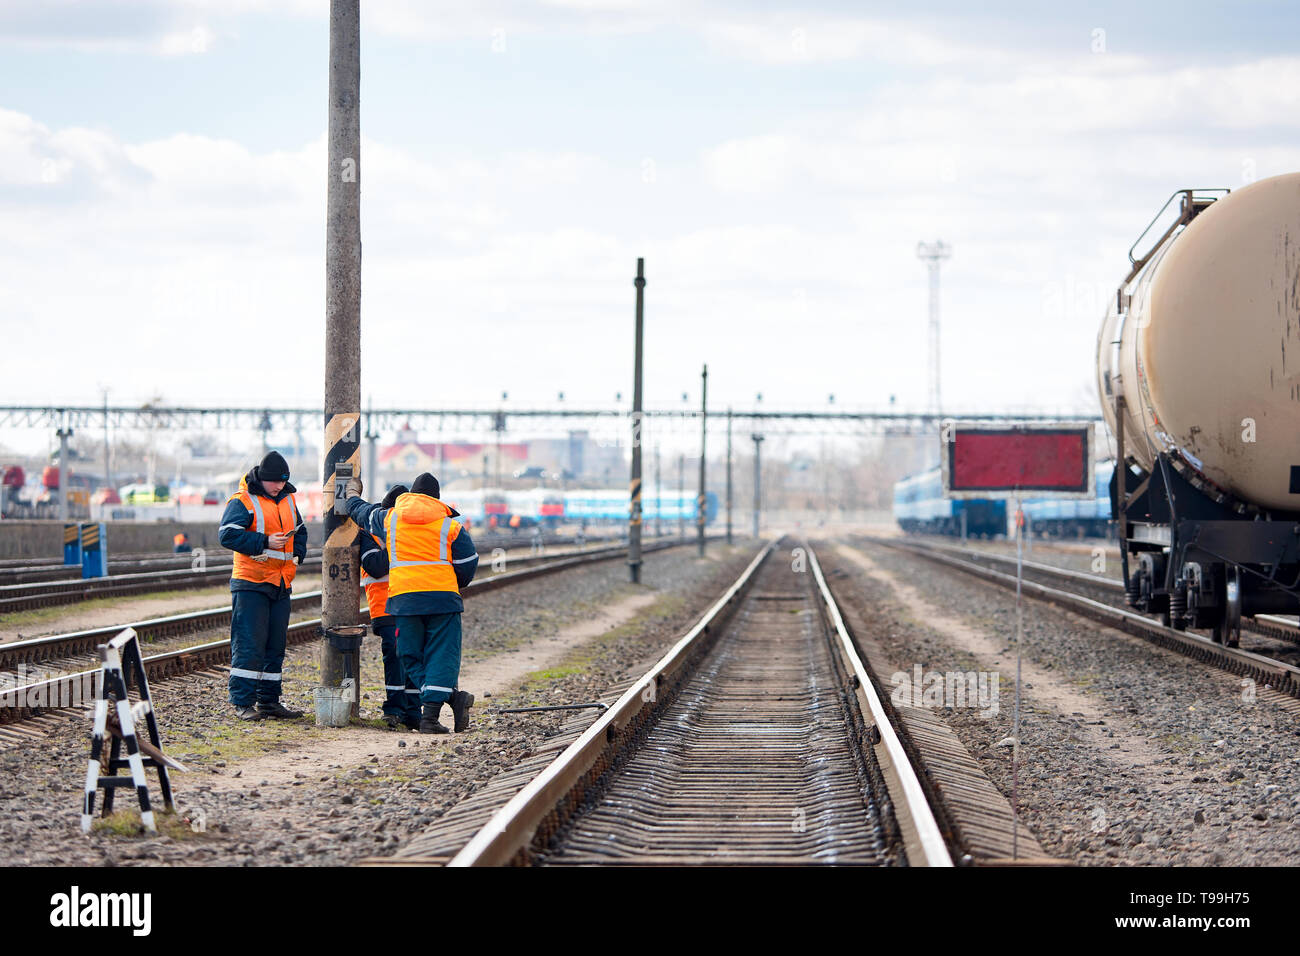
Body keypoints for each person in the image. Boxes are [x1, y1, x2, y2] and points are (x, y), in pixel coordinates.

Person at [343, 472, 477, 734]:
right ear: (436, 499)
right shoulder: (451, 527)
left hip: (404, 600)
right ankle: (445, 704)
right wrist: (450, 582)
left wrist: (350, 495)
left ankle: (432, 714)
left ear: (411, 496)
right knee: (440, 656)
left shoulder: (390, 519)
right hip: (443, 600)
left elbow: (360, 512)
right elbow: (468, 564)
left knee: (408, 655)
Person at [217, 450, 308, 721]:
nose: (279, 486)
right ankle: (242, 702)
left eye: (283, 481)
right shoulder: (243, 500)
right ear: (262, 479)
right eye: (274, 482)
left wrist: (298, 554)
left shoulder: (289, 500)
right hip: (251, 583)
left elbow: (301, 531)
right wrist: (265, 541)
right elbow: (227, 535)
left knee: (274, 646)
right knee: (249, 644)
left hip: (281, 583)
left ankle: (269, 701)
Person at [360, 484, 422, 730]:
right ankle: (394, 709)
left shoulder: (411, 530)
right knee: (395, 658)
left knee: (414, 657)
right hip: (385, 606)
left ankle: (413, 711)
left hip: (412, 604)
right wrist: (398, 545)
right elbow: (375, 566)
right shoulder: (368, 532)